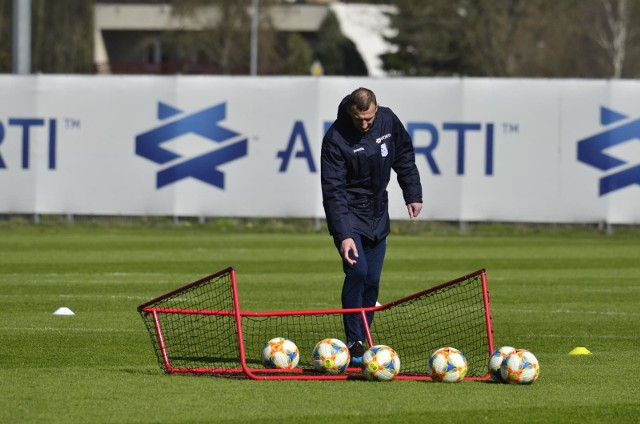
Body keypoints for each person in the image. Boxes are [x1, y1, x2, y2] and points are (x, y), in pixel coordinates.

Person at [320, 87, 423, 364]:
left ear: (376, 109)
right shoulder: (335, 139)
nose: (364, 124)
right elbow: (333, 192)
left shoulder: (388, 120)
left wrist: (412, 193)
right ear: (350, 112)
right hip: (349, 213)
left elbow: (404, 156)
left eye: (369, 119)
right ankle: (354, 342)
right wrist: (343, 235)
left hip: (378, 213)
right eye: (358, 119)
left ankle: (364, 336)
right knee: (358, 271)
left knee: (373, 281)